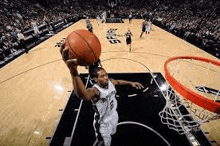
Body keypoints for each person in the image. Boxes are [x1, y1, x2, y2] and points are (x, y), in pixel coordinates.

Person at [60, 43, 144, 146]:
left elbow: (117, 81)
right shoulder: (96, 91)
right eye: (102, 76)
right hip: (103, 124)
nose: (106, 78)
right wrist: (74, 73)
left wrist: (131, 83)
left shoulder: (110, 83)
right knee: (104, 143)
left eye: (106, 75)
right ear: (95, 79)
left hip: (113, 116)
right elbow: (83, 95)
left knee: (113, 134)